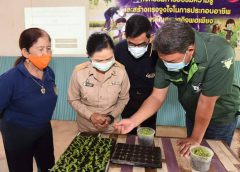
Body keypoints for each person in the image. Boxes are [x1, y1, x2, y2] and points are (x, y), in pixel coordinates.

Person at [115, 19, 240, 156]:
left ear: (190, 50)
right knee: (191, 154)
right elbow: (157, 96)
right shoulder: (165, 54)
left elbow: (207, 102)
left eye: (171, 61)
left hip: (220, 115)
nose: (166, 64)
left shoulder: (220, 52)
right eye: (163, 60)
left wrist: (195, 138)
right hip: (193, 112)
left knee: (215, 157)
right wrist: (133, 121)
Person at [0, 28, 57, 172]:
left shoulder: (49, 73)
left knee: (48, 167)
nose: (46, 53)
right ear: (25, 52)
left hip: (43, 130)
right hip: (18, 135)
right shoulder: (10, 79)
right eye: (40, 49)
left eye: (48, 48)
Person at [68, 32, 130, 133]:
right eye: (99, 60)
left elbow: (123, 99)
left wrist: (110, 117)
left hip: (111, 126)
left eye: (109, 59)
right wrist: (91, 115)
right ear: (89, 56)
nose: (105, 63)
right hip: (86, 126)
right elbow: (73, 99)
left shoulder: (121, 71)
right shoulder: (79, 72)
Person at [114, 14, 158, 134]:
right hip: (126, 99)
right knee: (128, 133)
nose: (136, 48)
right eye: (131, 44)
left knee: (148, 133)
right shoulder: (118, 50)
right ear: (125, 37)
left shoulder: (157, 52)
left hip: (150, 99)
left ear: (150, 38)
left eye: (141, 44)